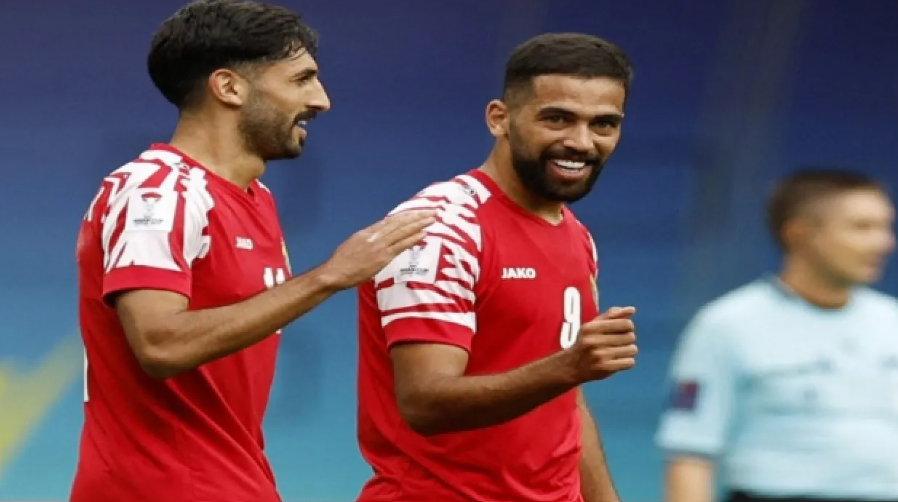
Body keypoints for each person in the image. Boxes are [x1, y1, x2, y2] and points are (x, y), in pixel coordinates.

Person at [70, 1, 433, 502]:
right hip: (160, 488)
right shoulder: (159, 192)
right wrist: (329, 276)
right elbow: (160, 345)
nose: (322, 100)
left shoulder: (256, 198)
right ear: (229, 87)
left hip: (233, 482)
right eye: (301, 79)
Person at [355, 33, 639, 502]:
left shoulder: (576, 235)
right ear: (499, 118)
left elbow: (566, 400)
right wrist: (567, 367)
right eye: (557, 118)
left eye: (604, 124)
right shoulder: (440, 227)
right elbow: (424, 401)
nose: (580, 142)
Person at [657, 169, 898, 502]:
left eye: (885, 227)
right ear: (799, 234)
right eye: (862, 227)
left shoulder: (892, 320)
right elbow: (690, 453)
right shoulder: (727, 325)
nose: (884, 243)